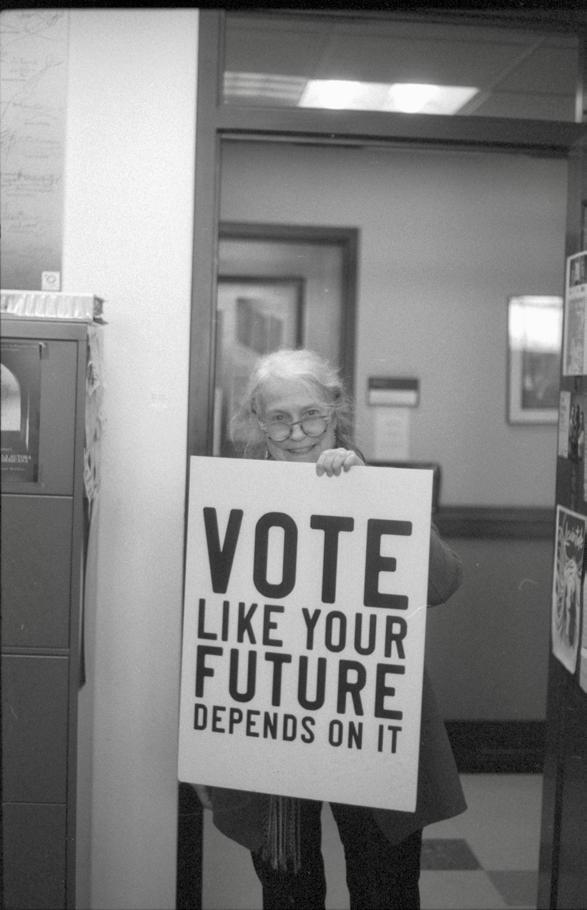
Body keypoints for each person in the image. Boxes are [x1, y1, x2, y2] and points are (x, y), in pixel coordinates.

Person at [195, 348, 466, 910]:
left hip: (367, 722)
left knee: (385, 889)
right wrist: (205, 746)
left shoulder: (370, 482)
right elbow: (211, 622)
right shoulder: (233, 495)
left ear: (335, 409)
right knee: (288, 892)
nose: (297, 433)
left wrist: (371, 494)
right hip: (272, 727)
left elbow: (442, 583)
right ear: (256, 419)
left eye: (311, 415)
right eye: (279, 418)